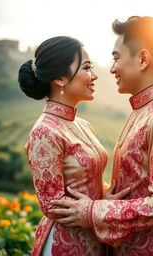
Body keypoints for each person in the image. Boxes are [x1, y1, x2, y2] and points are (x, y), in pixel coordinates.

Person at [49, 17, 153, 256]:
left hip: (152, 247)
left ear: (143, 59)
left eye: (116, 57)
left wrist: (92, 212)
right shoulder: (144, 110)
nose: (112, 68)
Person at [18, 36, 130, 256]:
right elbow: (52, 204)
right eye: (87, 67)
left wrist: (103, 199)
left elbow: (90, 181)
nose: (94, 76)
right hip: (65, 245)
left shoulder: (82, 124)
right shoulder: (45, 132)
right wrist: (100, 208)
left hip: (94, 241)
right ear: (60, 78)